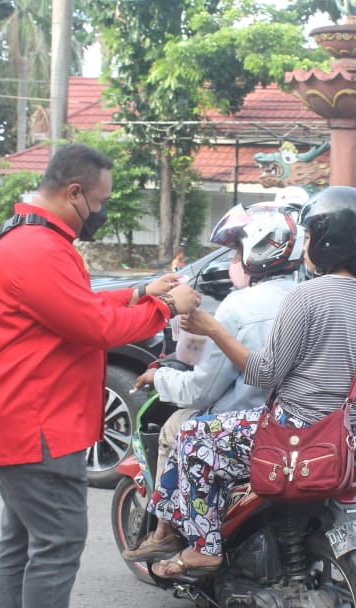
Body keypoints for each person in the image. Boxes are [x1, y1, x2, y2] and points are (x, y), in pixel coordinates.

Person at [0, 143, 202, 608]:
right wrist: (167, 308)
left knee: (24, 541)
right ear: (74, 193)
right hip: (34, 418)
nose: (102, 209)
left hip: (21, 410)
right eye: (100, 199)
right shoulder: (37, 248)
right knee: (56, 544)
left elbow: (73, 303)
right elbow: (93, 326)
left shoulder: (33, 238)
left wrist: (139, 291)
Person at [136, 186, 356, 580]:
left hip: (301, 431)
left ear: (328, 241)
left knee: (193, 436)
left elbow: (265, 373)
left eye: (309, 236)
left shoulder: (307, 295)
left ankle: (203, 547)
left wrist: (214, 329)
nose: (305, 245)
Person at [122, 201, 304, 561]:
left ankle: (167, 531)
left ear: (257, 251)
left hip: (245, 424)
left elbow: (201, 390)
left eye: (237, 252)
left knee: (175, 429)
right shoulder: (309, 296)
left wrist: (161, 377)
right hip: (305, 425)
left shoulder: (239, 306)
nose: (233, 261)